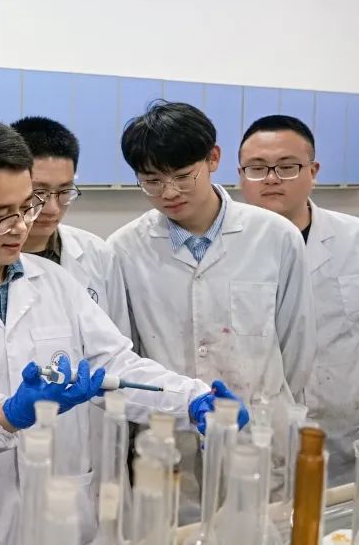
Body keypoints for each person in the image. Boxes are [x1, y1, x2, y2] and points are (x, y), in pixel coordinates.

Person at [0, 118, 246, 545]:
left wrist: (191, 398)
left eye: (25, 207)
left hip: (62, 519)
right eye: (1, 216)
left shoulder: (54, 282)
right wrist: (4, 416)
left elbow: (114, 366)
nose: (20, 226)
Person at [107, 101, 317, 517]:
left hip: (256, 437)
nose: (169, 193)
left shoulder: (274, 236)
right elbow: (124, 358)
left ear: (213, 158)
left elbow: (297, 346)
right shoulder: (123, 249)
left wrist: (264, 405)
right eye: (152, 181)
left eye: (183, 176)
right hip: (169, 444)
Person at [239, 114, 359, 485]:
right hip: (259, 434)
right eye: (256, 168)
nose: (271, 178)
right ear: (240, 175)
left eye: (287, 166)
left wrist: (346, 368)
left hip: (344, 437)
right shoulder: (224, 252)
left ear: (313, 171)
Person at [11, 116, 131, 336]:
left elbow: (120, 341)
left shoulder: (97, 254)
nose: (52, 208)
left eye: (64, 191)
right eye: (38, 192)